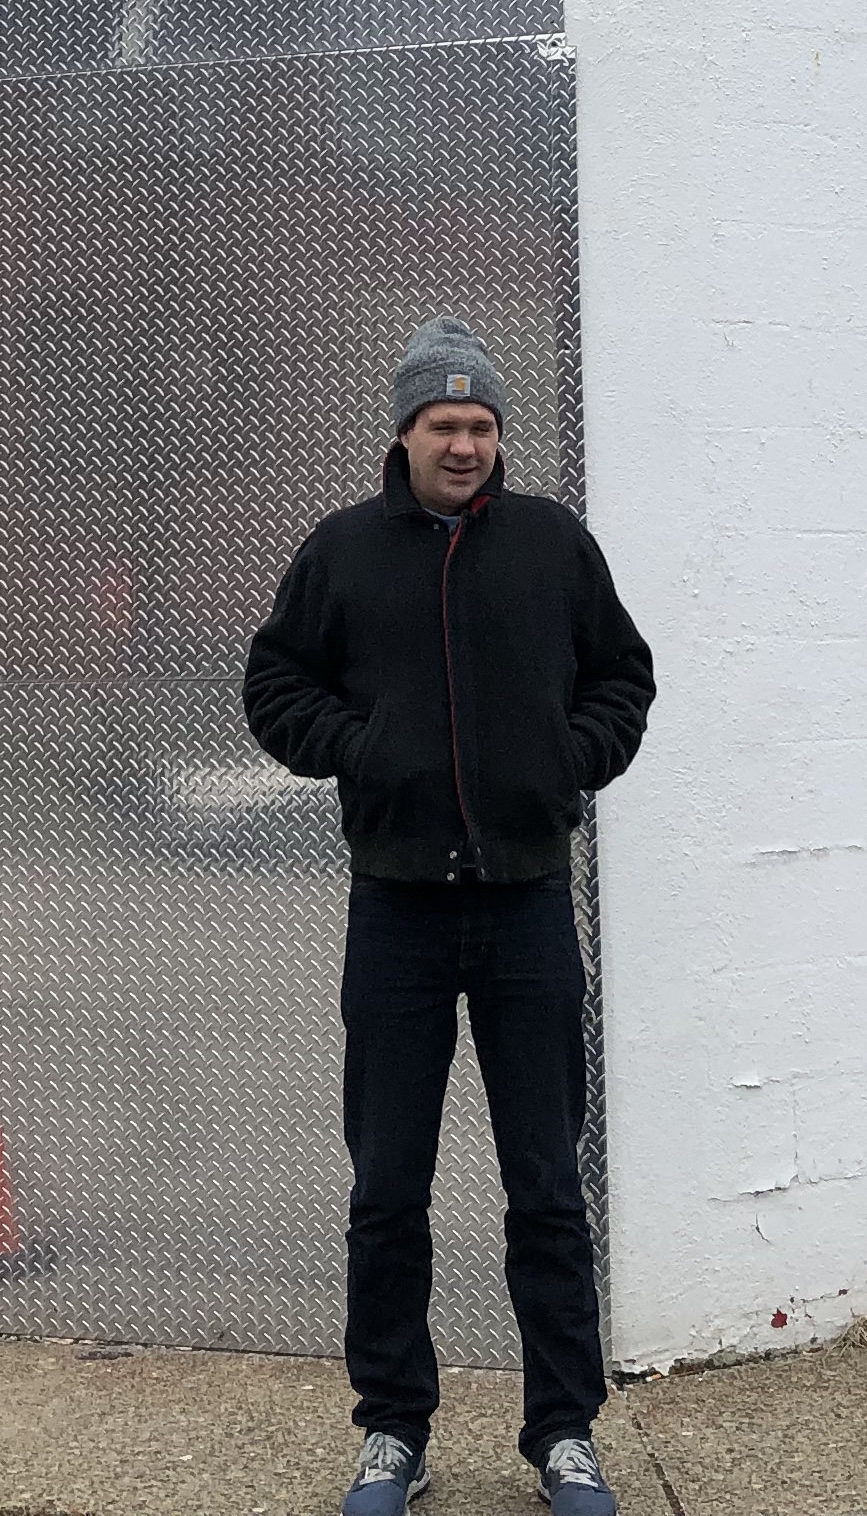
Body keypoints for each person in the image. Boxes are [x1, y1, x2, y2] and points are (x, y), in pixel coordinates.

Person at [245, 319, 657, 1516]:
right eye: (444, 424)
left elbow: (623, 676)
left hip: (528, 909)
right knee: (388, 1189)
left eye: (481, 425)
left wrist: (566, 761)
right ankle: (394, 1431)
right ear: (405, 433)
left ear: (498, 436)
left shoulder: (552, 545)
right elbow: (274, 683)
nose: (465, 444)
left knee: (547, 1188)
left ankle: (564, 1433)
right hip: (399, 915)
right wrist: (361, 748)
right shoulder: (343, 551)